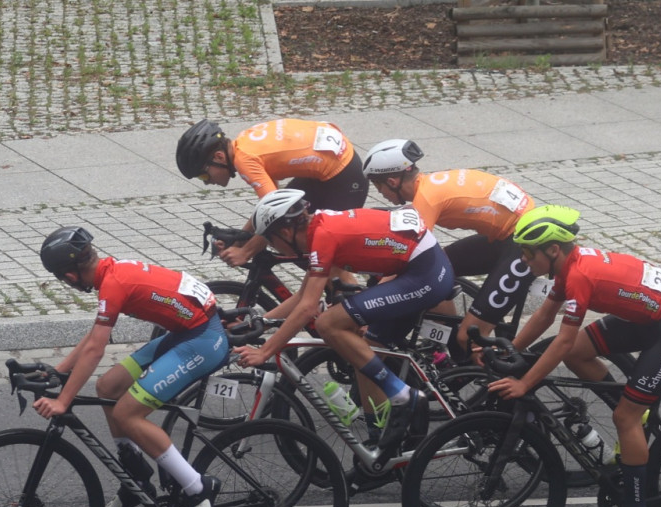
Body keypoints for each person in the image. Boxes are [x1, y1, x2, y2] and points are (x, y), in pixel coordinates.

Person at [486, 205, 661, 507]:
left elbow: (563, 338)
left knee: (623, 417)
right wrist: (511, 349)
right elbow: (545, 316)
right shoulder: (568, 265)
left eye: (528, 253)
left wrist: (525, 383)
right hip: (646, 316)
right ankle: (635, 411)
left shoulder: (580, 276)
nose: (524, 260)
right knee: (578, 356)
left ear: (553, 250)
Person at [35, 226, 228, 507]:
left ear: (70, 276)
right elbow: (95, 336)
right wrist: (60, 371)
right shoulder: (112, 273)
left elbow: (97, 348)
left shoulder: (113, 284)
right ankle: (135, 474)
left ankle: (198, 487)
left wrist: (63, 400)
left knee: (128, 414)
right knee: (107, 387)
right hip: (187, 331)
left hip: (203, 340)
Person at [232, 190, 454, 455]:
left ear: (285, 231)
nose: (272, 247)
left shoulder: (324, 236)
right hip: (417, 265)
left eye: (270, 240)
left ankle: (404, 395)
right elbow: (303, 295)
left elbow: (307, 308)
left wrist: (265, 351)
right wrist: (259, 321)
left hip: (424, 273)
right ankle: (380, 437)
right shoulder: (319, 229)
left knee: (329, 324)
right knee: (361, 349)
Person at [361, 138, 536, 361]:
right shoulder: (429, 186)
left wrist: (368, 300)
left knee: (470, 337)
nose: (380, 193)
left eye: (379, 186)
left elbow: (412, 256)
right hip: (507, 233)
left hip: (524, 245)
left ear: (393, 181)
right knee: (441, 268)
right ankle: (443, 334)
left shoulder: (426, 198)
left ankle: (501, 385)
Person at [175, 118, 369, 267]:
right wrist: (241, 238)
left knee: (319, 251)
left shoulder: (245, 161)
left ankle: (346, 302)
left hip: (343, 178)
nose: (208, 183)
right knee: (289, 234)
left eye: (204, 176)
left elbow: (277, 218)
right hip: (329, 167)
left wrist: (246, 253)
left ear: (218, 157)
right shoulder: (243, 143)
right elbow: (271, 206)